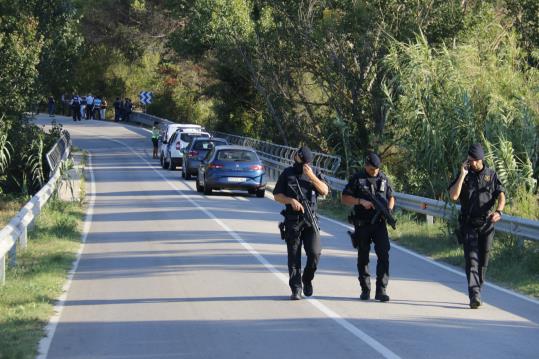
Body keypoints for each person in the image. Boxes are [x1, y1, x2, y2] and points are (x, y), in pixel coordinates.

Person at [448, 143, 505, 309]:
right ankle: (474, 295)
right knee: (471, 260)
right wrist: (461, 175)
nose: (470, 163)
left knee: (483, 261)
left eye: (473, 160)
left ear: (480, 159)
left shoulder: (491, 175)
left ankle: (477, 289)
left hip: (487, 224)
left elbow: (501, 195)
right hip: (468, 224)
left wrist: (499, 211)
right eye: (469, 160)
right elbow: (453, 196)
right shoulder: (464, 175)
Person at [273, 146, 329, 300]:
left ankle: (307, 279)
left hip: (311, 220)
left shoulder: (314, 173)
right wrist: (290, 200)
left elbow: (325, 191)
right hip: (293, 220)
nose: (296, 158)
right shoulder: (287, 173)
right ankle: (296, 289)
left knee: (315, 253)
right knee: (293, 257)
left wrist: (312, 177)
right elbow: (277, 195)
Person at [342, 152, 395, 302]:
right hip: (362, 225)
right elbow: (344, 197)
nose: (375, 171)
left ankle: (381, 290)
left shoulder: (383, 179)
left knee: (384, 254)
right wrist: (360, 201)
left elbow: (391, 197)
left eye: (377, 169)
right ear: (366, 165)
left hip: (379, 224)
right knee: (363, 257)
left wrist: (388, 210)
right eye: (372, 169)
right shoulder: (357, 178)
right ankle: (365, 289)